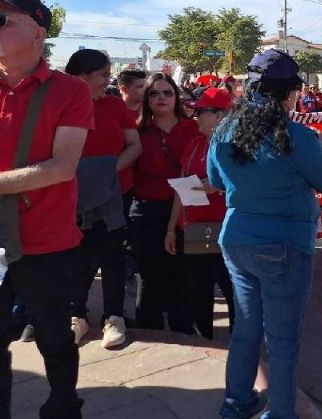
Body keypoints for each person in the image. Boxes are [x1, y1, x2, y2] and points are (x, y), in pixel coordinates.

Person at [209, 49, 322, 419]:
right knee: (282, 341)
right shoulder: (298, 136)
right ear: (289, 93)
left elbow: (217, 182)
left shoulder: (223, 130)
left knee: (246, 329)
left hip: (236, 241)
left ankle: (235, 409)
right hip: (284, 244)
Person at [0, 1, 93, 419]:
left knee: (55, 342)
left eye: (3, 20)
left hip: (47, 245)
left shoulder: (69, 90)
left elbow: (62, 166)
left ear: (39, 33)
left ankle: (63, 416)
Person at [65, 49, 141, 348]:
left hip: (115, 194)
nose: (107, 81)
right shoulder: (61, 106)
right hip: (72, 197)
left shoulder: (113, 106)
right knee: (78, 258)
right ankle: (76, 315)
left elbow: (133, 145)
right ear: (82, 77)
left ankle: (113, 316)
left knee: (113, 257)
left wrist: (107, 173)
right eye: (103, 75)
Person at [131, 73, 202, 331]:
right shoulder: (136, 131)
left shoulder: (193, 129)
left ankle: (183, 327)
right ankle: (148, 329)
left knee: (185, 275)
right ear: (146, 99)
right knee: (149, 276)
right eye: (154, 93)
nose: (161, 98)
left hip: (188, 212)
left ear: (176, 97)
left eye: (167, 93)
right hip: (146, 212)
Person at [164, 88, 236, 339]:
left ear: (220, 116)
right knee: (198, 291)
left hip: (228, 230)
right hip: (196, 230)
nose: (196, 117)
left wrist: (220, 186)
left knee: (233, 291)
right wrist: (172, 227)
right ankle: (205, 339)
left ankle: (241, 345)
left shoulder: (237, 147)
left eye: (201, 112)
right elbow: (180, 188)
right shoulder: (195, 144)